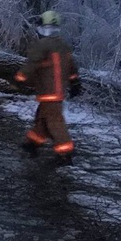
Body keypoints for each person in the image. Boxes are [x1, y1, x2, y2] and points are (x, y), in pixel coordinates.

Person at [14, 11, 83, 166]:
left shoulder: (42, 45)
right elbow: (72, 67)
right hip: (58, 93)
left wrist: (20, 78)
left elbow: (31, 64)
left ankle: (66, 153)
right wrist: (75, 82)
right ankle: (33, 143)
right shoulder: (63, 46)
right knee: (42, 118)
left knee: (54, 122)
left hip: (48, 91)